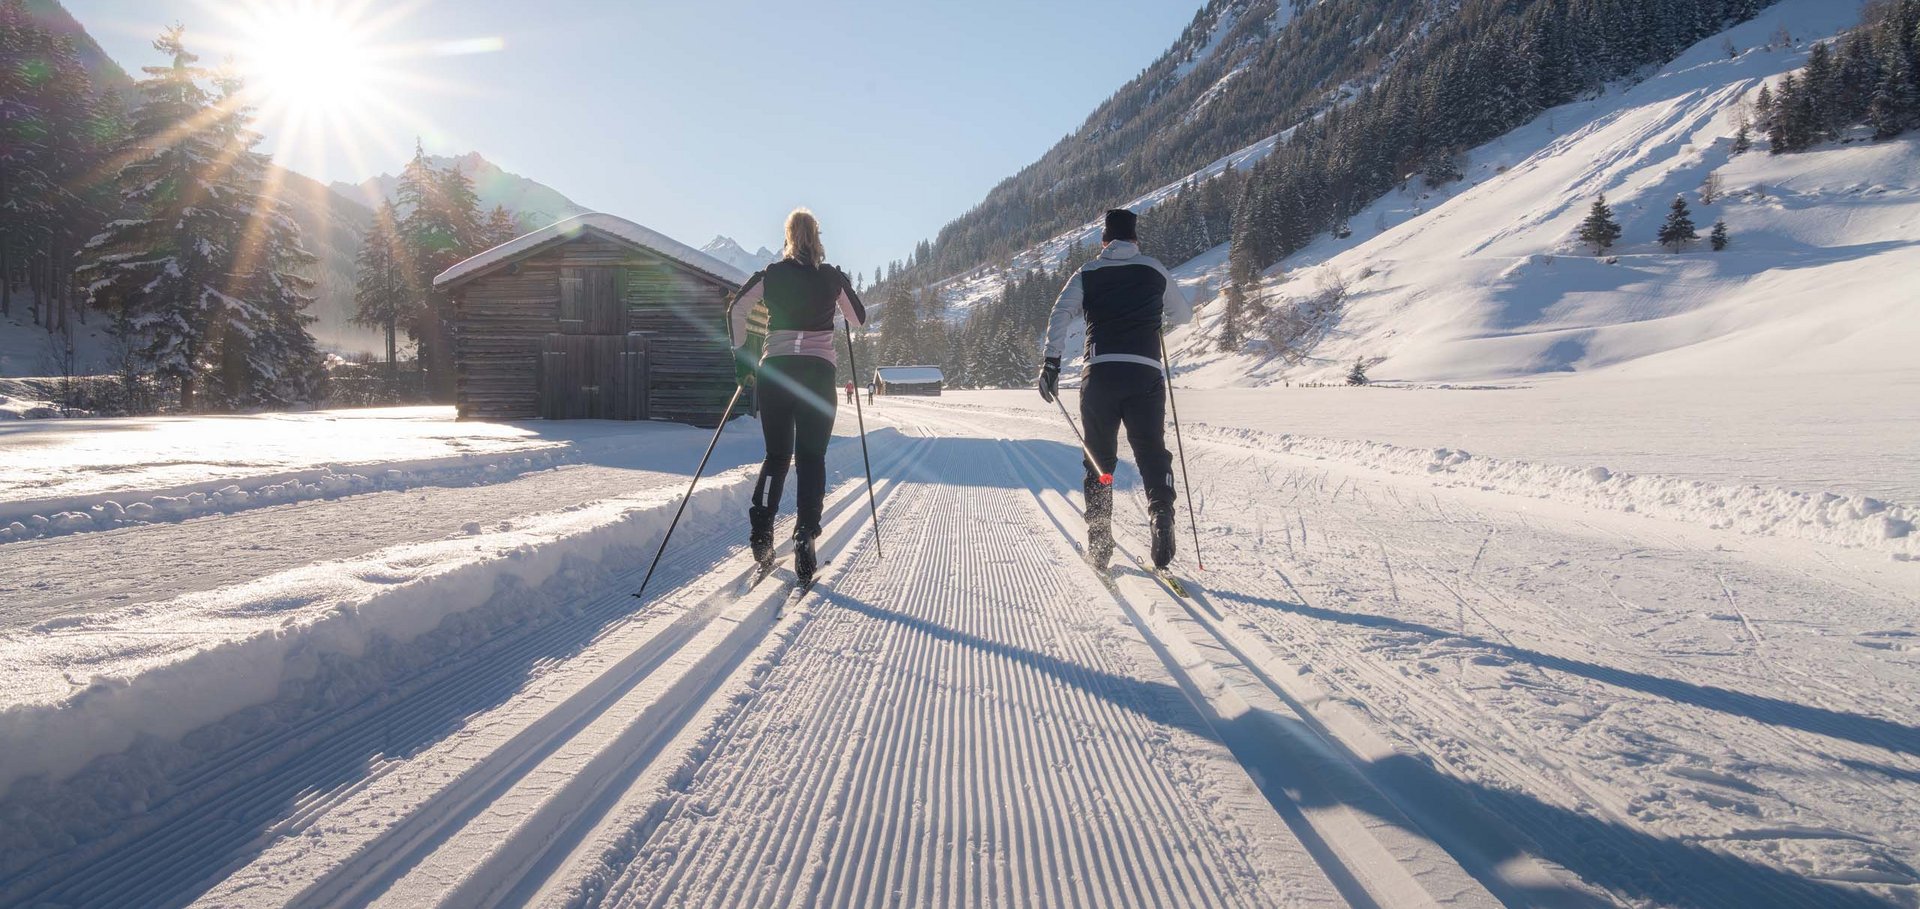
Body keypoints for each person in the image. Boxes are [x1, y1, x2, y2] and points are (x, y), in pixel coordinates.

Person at [1037, 208, 1193, 570]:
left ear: (1104, 242)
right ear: (1135, 240)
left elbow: (1059, 315)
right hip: (1145, 375)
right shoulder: (1153, 269)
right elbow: (1183, 315)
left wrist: (1052, 363)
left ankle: (1101, 543)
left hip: (1101, 376)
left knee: (1100, 460)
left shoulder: (1088, 272)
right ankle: (1160, 513)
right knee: (1152, 453)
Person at [729, 209, 867, 583]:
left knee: (776, 456)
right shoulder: (831, 277)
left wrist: (743, 359)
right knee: (811, 459)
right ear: (817, 237)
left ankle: (762, 527)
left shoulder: (771, 275)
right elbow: (857, 319)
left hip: (776, 373)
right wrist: (843, 284)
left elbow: (737, 309)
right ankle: (805, 532)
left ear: (788, 237)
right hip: (817, 376)